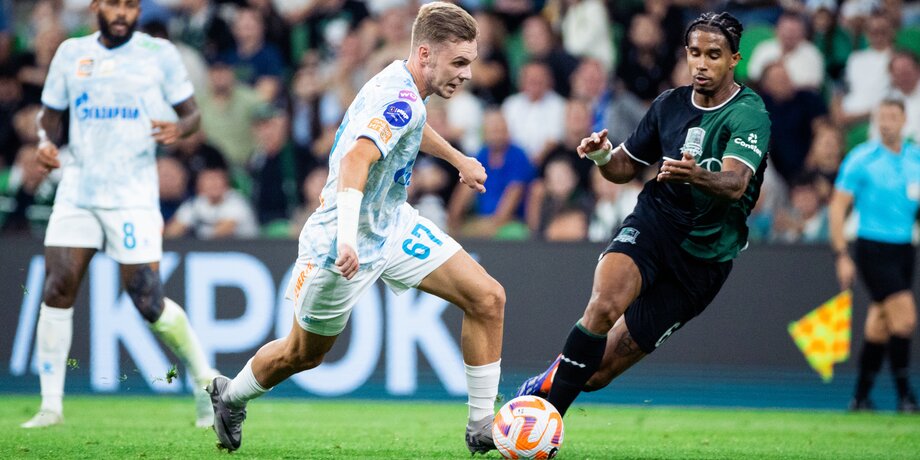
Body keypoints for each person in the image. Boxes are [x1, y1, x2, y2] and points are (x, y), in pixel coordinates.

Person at [206, 3, 505, 453]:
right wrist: (347, 239)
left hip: (392, 226)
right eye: (459, 62)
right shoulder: (398, 98)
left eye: (470, 62)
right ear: (425, 53)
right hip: (340, 243)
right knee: (302, 354)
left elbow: (412, 127)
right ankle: (230, 396)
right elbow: (354, 160)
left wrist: (458, 158)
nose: (467, 74)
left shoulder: (406, 86)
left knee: (488, 298)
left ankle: (481, 425)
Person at [514, 12, 771, 418]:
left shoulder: (748, 113)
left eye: (714, 55)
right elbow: (625, 167)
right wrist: (603, 155)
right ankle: (543, 420)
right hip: (655, 223)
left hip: (704, 260)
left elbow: (736, 183)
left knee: (596, 375)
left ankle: (543, 386)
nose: (702, 64)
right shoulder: (668, 105)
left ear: (734, 60)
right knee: (603, 306)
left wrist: (697, 175)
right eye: (695, 53)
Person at [23, 0, 217, 428]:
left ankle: (205, 380)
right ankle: (50, 406)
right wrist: (46, 143)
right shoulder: (72, 53)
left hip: (132, 195)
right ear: (96, 5)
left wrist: (179, 128)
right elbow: (50, 115)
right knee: (57, 286)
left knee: (148, 300)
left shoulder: (158, 54)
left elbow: (192, 114)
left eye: (130, 5)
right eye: (114, 4)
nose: (122, 13)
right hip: (78, 189)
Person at [829, 98, 920, 413]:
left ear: (904, 120)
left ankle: (860, 398)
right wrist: (841, 254)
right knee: (905, 319)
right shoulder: (861, 158)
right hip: (872, 247)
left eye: (892, 117)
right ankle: (906, 396)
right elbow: (838, 207)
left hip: (905, 248)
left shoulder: (915, 158)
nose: (886, 123)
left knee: (880, 324)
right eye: (881, 117)